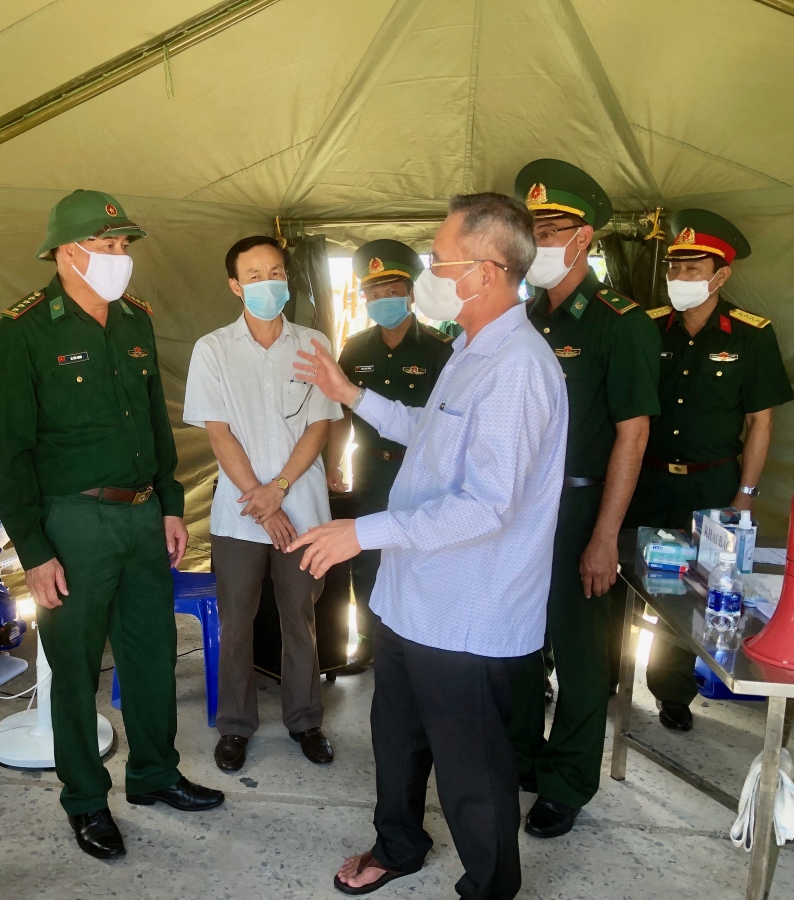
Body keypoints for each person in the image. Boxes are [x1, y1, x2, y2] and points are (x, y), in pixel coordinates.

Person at [291, 193, 567, 899]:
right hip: (413, 601)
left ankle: (490, 887)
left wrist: (363, 531)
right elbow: (429, 430)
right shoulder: (470, 347)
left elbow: (487, 506)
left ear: (485, 271)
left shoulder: (519, 368)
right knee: (397, 739)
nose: (431, 275)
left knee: (472, 772)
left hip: (469, 616)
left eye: (441, 259)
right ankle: (399, 845)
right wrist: (348, 391)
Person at [0, 189, 224, 861]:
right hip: (74, 521)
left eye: (124, 246)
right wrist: (35, 550)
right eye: (107, 246)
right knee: (75, 665)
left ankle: (154, 775)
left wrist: (172, 502)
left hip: (142, 513)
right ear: (66, 252)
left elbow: (156, 418)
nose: (121, 258)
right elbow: (12, 455)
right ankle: (86, 801)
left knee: (151, 653)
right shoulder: (25, 330)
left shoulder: (134, 321)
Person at [504, 159, 661, 840]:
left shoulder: (617, 322)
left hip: (579, 510)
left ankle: (567, 781)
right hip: (518, 513)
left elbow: (633, 434)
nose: (538, 237)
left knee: (579, 654)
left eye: (553, 226)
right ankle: (523, 757)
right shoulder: (522, 316)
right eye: (531, 225)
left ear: (585, 237)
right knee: (514, 641)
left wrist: (604, 536)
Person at [625, 209, 793, 731]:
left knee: (690, 596)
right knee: (615, 581)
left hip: (711, 484)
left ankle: (672, 689)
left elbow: (759, 423)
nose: (678, 279)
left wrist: (744, 497)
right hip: (644, 479)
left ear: (721, 276)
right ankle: (604, 678)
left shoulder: (749, 336)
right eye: (674, 268)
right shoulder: (648, 328)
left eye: (692, 269)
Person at [183, 235, 342, 773]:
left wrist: (281, 489)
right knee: (237, 622)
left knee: (300, 618)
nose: (267, 283)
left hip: (303, 507)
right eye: (254, 275)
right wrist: (265, 501)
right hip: (240, 512)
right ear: (235, 286)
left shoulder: (314, 342)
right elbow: (219, 433)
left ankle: (305, 719)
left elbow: (320, 425)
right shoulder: (213, 349)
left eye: (275, 272)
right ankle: (235, 725)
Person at [327, 240, 454, 674]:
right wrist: (332, 463)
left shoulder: (441, 349)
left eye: (392, 290)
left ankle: (421, 642)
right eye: (374, 294)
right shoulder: (355, 349)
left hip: (420, 472)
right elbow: (341, 415)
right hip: (370, 468)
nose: (383, 301)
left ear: (412, 292)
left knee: (420, 555)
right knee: (366, 558)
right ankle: (367, 641)